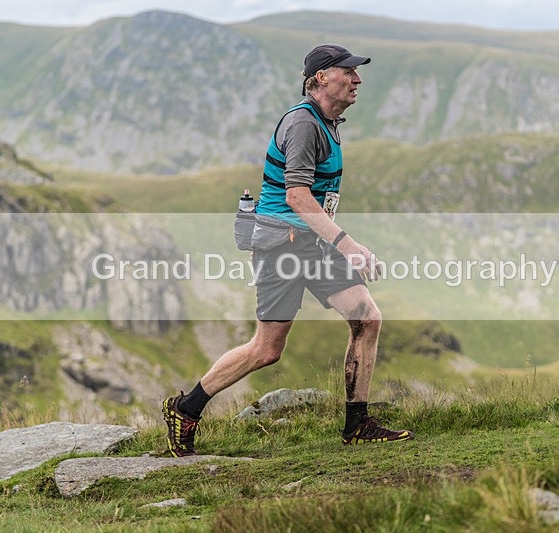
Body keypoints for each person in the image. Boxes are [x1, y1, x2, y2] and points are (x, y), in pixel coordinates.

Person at [162, 44, 412, 456]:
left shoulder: (329, 122)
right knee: (266, 350)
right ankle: (185, 409)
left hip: (311, 243)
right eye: (347, 71)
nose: (357, 79)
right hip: (282, 247)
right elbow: (297, 196)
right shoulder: (302, 124)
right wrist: (347, 244)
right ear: (320, 79)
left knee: (367, 318)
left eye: (356, 72)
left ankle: (357, 425)